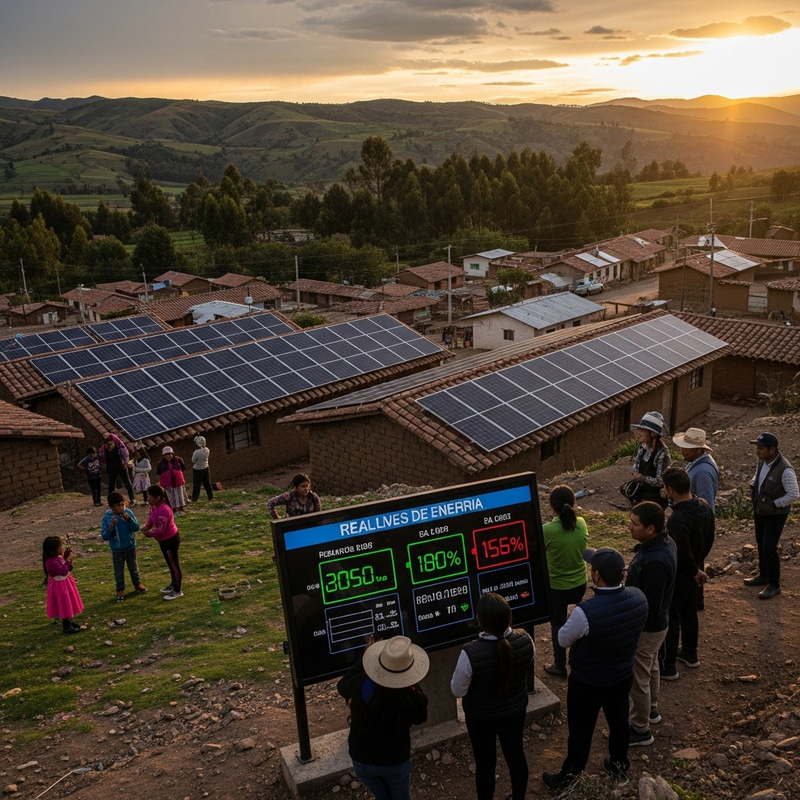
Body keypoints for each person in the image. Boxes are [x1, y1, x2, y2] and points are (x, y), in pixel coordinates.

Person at [542, 547, 647, 789]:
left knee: (580, 730)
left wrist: (571, 618)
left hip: (587, 681)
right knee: (619, 722)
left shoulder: (585, 611)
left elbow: (562, 640)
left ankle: (569, 777)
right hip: (621, 675)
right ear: (623, 574)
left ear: (596, 575)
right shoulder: (639, 598)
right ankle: (619, 767)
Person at [451, 592, 534, 800]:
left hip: (481, 717)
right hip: (515, 711)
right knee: (516, 755)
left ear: (480, 620)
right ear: (509, 616)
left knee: (485, 763)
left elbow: (457, 691)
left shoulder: (470, 653)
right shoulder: (525, 640)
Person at [337, 636, 429, 800]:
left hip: (362, 758)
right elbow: (421, 717)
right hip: (395, 761)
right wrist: (411, 681)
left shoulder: (360, 684)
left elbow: (342, 684)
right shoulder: (411, 697)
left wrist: (364, 661)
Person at [625, 501, 676, 747]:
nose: (629, 527)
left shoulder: (655, 561)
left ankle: (640, 728)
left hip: (647, 627)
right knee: (652, 666)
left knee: (639, 678)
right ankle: (652, 710)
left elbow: (651, 604)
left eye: (635, 524)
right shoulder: (664, 543)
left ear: (651, 528)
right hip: (659, 625)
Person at [659, 467, 714, 680]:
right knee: (689, 611)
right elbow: (710, 538)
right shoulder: (704, 506)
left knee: (671, 614)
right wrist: (699, 566)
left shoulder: (677, 519)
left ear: (670, 489)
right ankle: (691, 654)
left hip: (683, 573)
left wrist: (692, 571)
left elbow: (681, 551)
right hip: (696, 569)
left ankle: (668, 665)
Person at [745, 433, 799, 599]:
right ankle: (764, 576)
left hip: (775, 514)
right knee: (761, 543)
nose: (757, 451)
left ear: (772, 449)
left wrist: (775, 504)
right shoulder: (763, 462)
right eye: (757, 448)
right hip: (761, 510)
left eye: (761, 448)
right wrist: (753, 482)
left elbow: (794, 494)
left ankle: (774, 584)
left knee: (769, 547)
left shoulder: (785, 469)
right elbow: (759, 476)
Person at [541, 485, 588, 678]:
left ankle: (560, 665)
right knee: (581, 622)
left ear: (551, 507)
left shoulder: (547, 530)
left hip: (557, 587)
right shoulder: (582, 523)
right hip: (579, 584)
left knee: (558, 625)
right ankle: (579, 660)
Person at [101, 490, 147, 603]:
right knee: (118, 571)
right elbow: (105, 535)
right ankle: (120, 590)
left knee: (134, 567)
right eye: (118, 506)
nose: (121, 508)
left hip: (130, 546)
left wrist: (129, 520)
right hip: (117, 549)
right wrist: (112, 526)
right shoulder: (107, 518)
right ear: (112, 507)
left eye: (123, 504)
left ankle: (138, 584)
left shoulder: (128, 513)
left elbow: (136, 528)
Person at [142, 485, 183, 600]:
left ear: (158, 497)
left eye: (149, 497)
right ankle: (173, 584)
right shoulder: (154, 506)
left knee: (174, 565)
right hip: (163, 540)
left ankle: (177, 590)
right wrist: (146, 527)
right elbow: (151, 518)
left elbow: (161, 530)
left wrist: (148, 534)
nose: (147, 499)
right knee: (170, 564)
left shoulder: (164, 509)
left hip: (170, 540)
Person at [627, 412, 671, 508]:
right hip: (641, 494)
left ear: (652, 433)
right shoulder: (642, 446)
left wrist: (642, 478)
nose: (638, 433)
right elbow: (637, 465)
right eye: (639, 429)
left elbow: (660, 481)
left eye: (642, 430)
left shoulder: (662, 453)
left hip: (655, 499)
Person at [43, 536, 84, 634]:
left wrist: (65, 556)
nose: (61, 549)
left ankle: (69, 621)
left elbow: (62, 566)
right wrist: (68, 562)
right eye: (60, 547)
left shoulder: (54, 559)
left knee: (68, 601)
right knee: (64, 602)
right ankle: (67, 626)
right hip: (60, 586)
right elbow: (63, 570)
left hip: (64, 583)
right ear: (53, 551)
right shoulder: (51, 562)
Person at [672, 428, 719, 510]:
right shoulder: (695, 461)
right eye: (683, 446)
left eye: (687, 448)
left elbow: (706, 507)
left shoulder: (703, 472)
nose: (683, 450)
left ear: (698, 450)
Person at [100, 432, 135, 504]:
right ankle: (111, 501)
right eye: (107, 445)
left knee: (127, 483)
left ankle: (132, 499)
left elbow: (126, 457)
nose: (109, 447)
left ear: (114, 443)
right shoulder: (103, 451)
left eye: (110, 444)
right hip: (111, 469)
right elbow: (103, 460)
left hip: (121, 467)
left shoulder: (120, 449)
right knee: (111, 485)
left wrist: (125, 463)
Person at [156, 446, 188, 516]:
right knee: (170, 496)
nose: (168, 456)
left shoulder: (178, 460)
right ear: (163, 455)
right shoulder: (161, 464)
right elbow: (158, 472)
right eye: (166, 455)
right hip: (168, 483)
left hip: (177, 481)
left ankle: (180, 508)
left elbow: (183, 468)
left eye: (170, 454)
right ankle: (173, 510)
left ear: (173, 454)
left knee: (179, 495)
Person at [191, 436, 214, 502]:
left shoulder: (196, 452)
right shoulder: (207, 450)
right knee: (207, 483)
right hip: (206, 467)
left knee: (197, 484)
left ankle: (194, 498)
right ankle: (210, 497)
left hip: (197, 469)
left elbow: (193, 460)